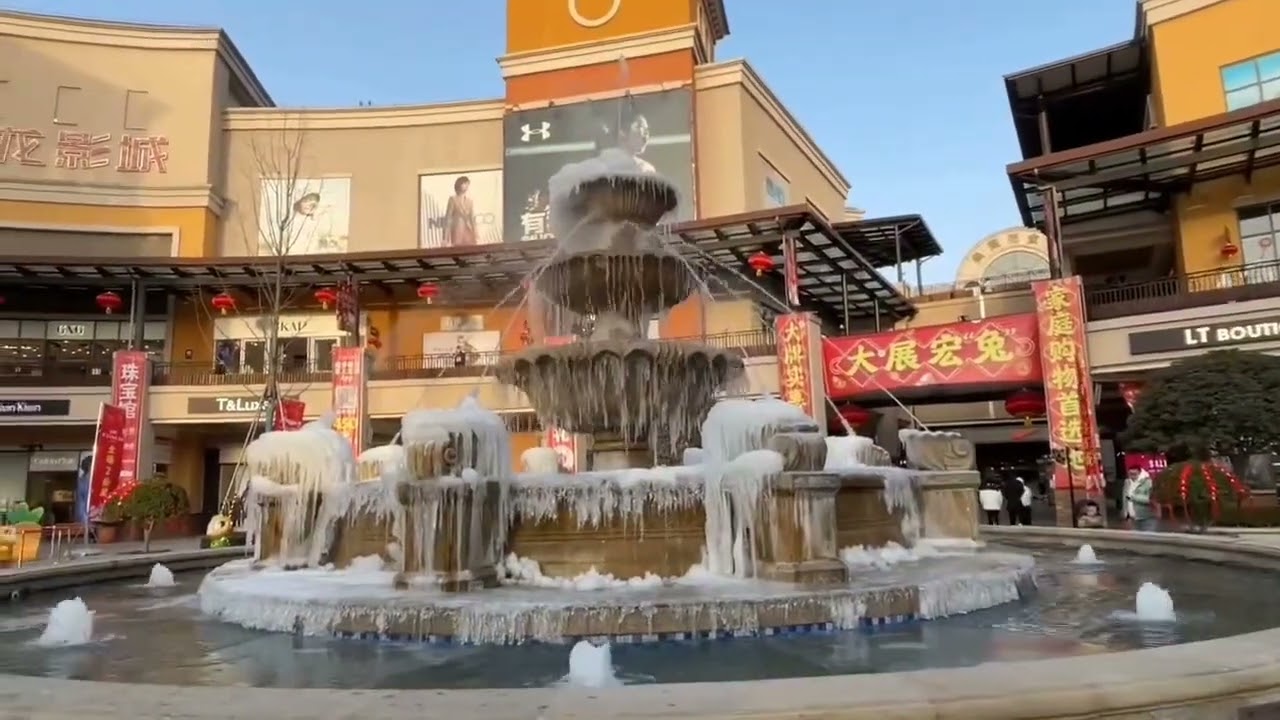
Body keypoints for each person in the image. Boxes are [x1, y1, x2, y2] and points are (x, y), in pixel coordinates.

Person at [443, 175, 477, 246]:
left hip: (468, 233)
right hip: (457, 232)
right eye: (464, 183)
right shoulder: (453, 199)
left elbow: (472, 220)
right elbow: (448, 219)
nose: (466, 185)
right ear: (459, 184)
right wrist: (445, 238)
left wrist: (476, 235)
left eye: (467, 184)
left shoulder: (470, 201)